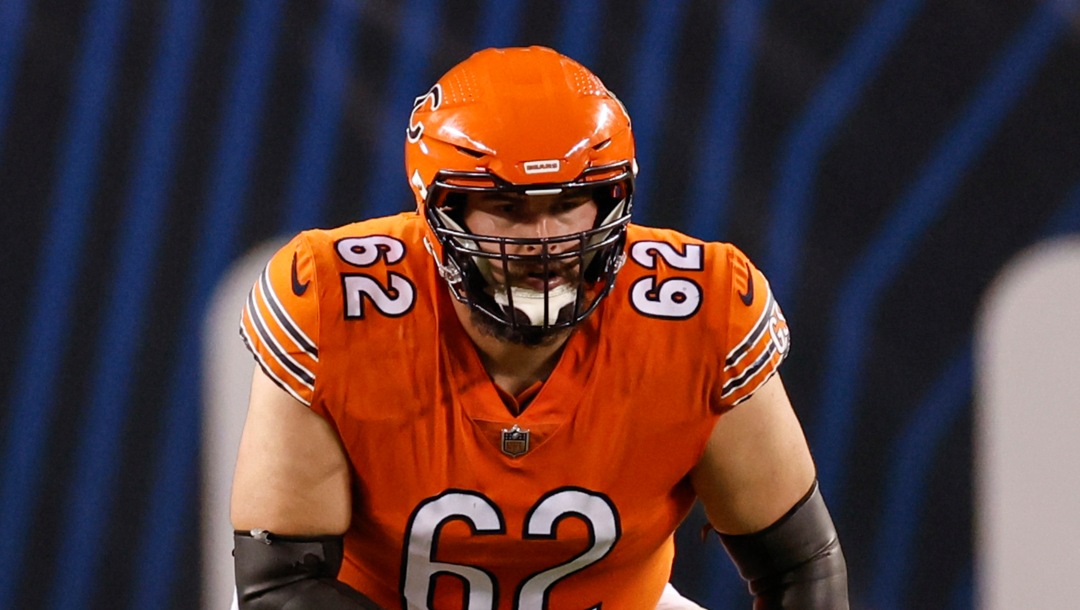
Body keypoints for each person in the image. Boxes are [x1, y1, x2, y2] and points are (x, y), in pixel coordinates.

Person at [230, 45, 848, 609]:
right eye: (507, 208)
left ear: (612, 204)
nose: (545, 241)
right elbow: (283, 586)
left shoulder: (699, 311)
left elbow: (800, 569)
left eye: (565, 204)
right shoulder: (338, 299)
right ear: (440, 211)